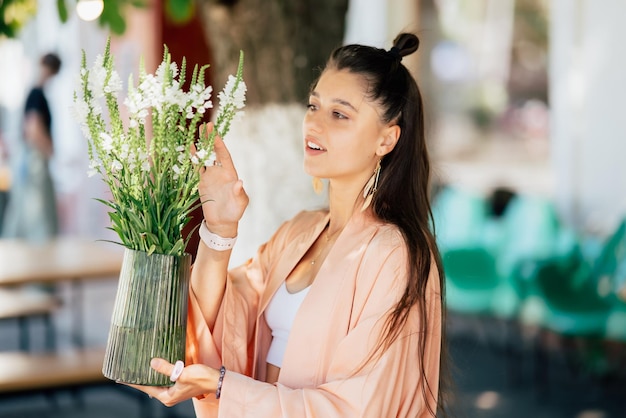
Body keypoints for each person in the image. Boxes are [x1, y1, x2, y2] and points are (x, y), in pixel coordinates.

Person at [131, 33, 449, 417]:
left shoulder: (395, 253)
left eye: (339, 114)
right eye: (313, 106)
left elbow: (364, 406)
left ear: (387, 138)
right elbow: (223, 324)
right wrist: (220, 229)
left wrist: (222, 386)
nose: (314, 123)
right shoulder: (301, 231)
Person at [2, 53, 61, 241]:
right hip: (35, 159)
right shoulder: (37, 94)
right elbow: (33, 129)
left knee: (24, 210)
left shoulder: (34, 93)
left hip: (30, 158)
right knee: (38, 214)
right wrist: (50, 148)